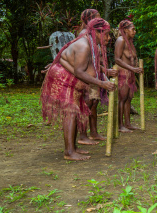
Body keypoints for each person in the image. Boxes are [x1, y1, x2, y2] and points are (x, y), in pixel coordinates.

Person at [41, 18, 115, 161]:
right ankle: (69, 151)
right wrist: (101, 83)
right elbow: (79, 71)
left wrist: (103, 77)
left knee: (74, 111)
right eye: (106, 34)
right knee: (71, 112)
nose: (109, 38)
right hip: (63, 78)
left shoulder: (91, 44)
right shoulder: (84, 45)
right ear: (98, 32)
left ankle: (72, 148)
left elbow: (83, 66)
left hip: (70, 77)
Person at [76, 9, 116, 145]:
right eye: (97, 18)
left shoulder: (93, 36)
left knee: (93, 104)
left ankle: (93, 132)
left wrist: (104, 70)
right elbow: (86, 61)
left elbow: (95, 60)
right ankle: (82, 135)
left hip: (94, 74)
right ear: (89, 20)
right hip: (86, 76)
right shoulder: (83, 36)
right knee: (86, 104)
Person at [114, 20, 143, 132]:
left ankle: (128, 123)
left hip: (130, 73)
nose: (134, 31)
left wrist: (136, 67)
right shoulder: (121, 40)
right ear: (125, 30)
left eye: (135, 29)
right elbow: (117, 59)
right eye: (132, 29)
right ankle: (120, 125)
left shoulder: (129, 41)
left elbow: (132, 58)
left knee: (128, 99)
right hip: (123, 73)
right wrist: (132, 68)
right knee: (122, 98)